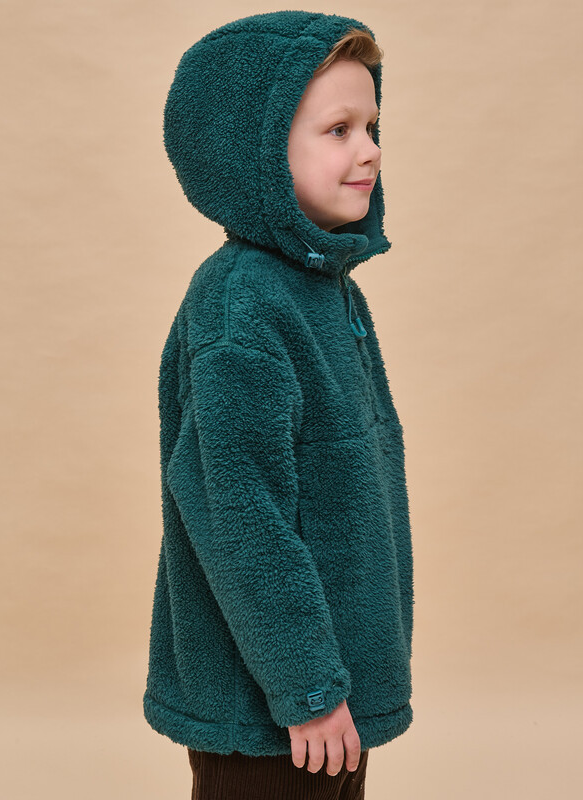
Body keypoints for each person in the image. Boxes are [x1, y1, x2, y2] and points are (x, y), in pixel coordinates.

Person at [143, 10, 414, 799]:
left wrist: (338, 685)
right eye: (339, 129)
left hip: (334, 694)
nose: (370, 148)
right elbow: (239, 514)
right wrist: (307, 687)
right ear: (255, 153)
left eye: (372, 126)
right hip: (273, 710)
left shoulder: (326, 290)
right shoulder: (243, 307)